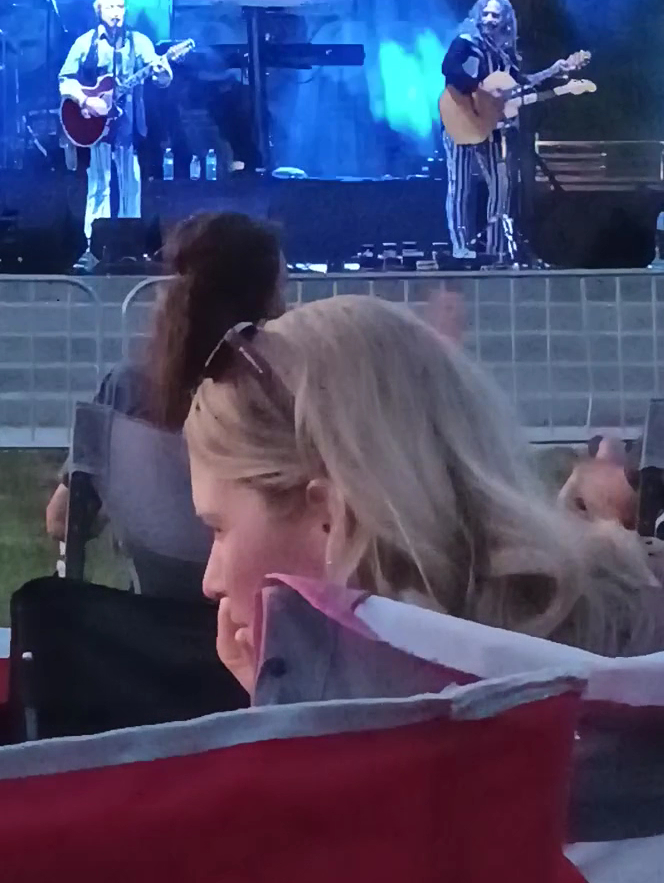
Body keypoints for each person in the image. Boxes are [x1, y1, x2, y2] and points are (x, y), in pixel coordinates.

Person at [184, 294, 664, 696]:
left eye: (218, 530)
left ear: (330, 518)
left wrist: (290, 724)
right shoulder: (632, 631)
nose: (210, 581)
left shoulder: (387, 733)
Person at [45, 210, 285, 541]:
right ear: (267, 303)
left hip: (151, 574)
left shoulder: (125, 387)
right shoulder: (288, 400)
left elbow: (62, 519)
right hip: (254, 574)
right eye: (282, 290)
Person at [59, 0, 173, 245]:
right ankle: (93, 243)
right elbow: (65, 80)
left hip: (127, 122)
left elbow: (161, 78)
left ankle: (130, 242)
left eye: (120, 7)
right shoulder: (85, 43)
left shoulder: (139, 41)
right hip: (96, 123)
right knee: (99, 181)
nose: (116, 12)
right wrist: (87, 100)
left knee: (131, 180)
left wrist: (162, 71)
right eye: (110, 7)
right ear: (99, 11)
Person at [440, 0, 523, 263]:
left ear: (504, 20)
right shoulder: (466, 42)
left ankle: (496, 248)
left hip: (489, 125)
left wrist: (556, 71)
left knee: (501, 183)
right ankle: (460, 247)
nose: (488, 19)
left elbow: (519, 84)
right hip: (460, 120)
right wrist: (480, 91)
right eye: (485, 13)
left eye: (495, 15)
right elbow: (449, 68)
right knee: (460, 184)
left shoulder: (503, 54)